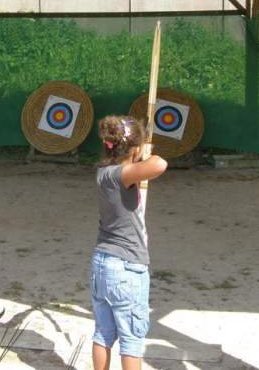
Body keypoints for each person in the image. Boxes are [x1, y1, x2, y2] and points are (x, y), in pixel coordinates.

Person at [91, 115, 167, 370]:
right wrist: (145, 154)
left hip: (102, 263)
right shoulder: (120, 175)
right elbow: (160, 164)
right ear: (133, 149)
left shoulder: (104, 172)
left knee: (103, 334)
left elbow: (136, 170)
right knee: (131, 341)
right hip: (126, 268)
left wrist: (138, 151)